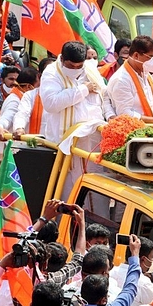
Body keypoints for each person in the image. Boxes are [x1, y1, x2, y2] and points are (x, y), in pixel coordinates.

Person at [40, 42, 107, 197]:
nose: (75, 69)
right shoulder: (51, 73)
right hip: (66, 144)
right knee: (68, 193)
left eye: (79, 66)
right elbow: (51, 103)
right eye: (71, 66)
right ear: (62, 59)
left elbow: (104, 96)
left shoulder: (90, 70)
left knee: (95, 193)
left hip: (92, 143)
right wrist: (83, 89)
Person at [106, 35, 153, 125]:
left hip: (152, 130)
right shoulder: (121, 80)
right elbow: (124, 114)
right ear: (136, 55)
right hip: (134, 133)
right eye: (150, 57)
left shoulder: (145, 74)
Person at [81, 234, 142, 306]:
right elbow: (130, 289)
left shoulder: (67, 305)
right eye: (107, 271)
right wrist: (135, 255)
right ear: (104, 300)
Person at [109, 236, 153, 306]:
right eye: (152, 257)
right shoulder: (144, 282)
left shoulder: (111, 272)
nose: (152, 261)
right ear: (143, 259)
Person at [12, 59, 54, 139]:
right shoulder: (30, 95)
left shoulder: (65, 95)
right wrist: (19, 128)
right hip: (34, 146)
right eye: (48, 74)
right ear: (39, 76)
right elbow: (22, 113)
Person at [0, 67, 40, 140]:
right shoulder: (15, 100)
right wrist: (0, 126)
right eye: (38, 86)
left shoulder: (20, 96)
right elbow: (8, 116)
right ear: (28, 87)